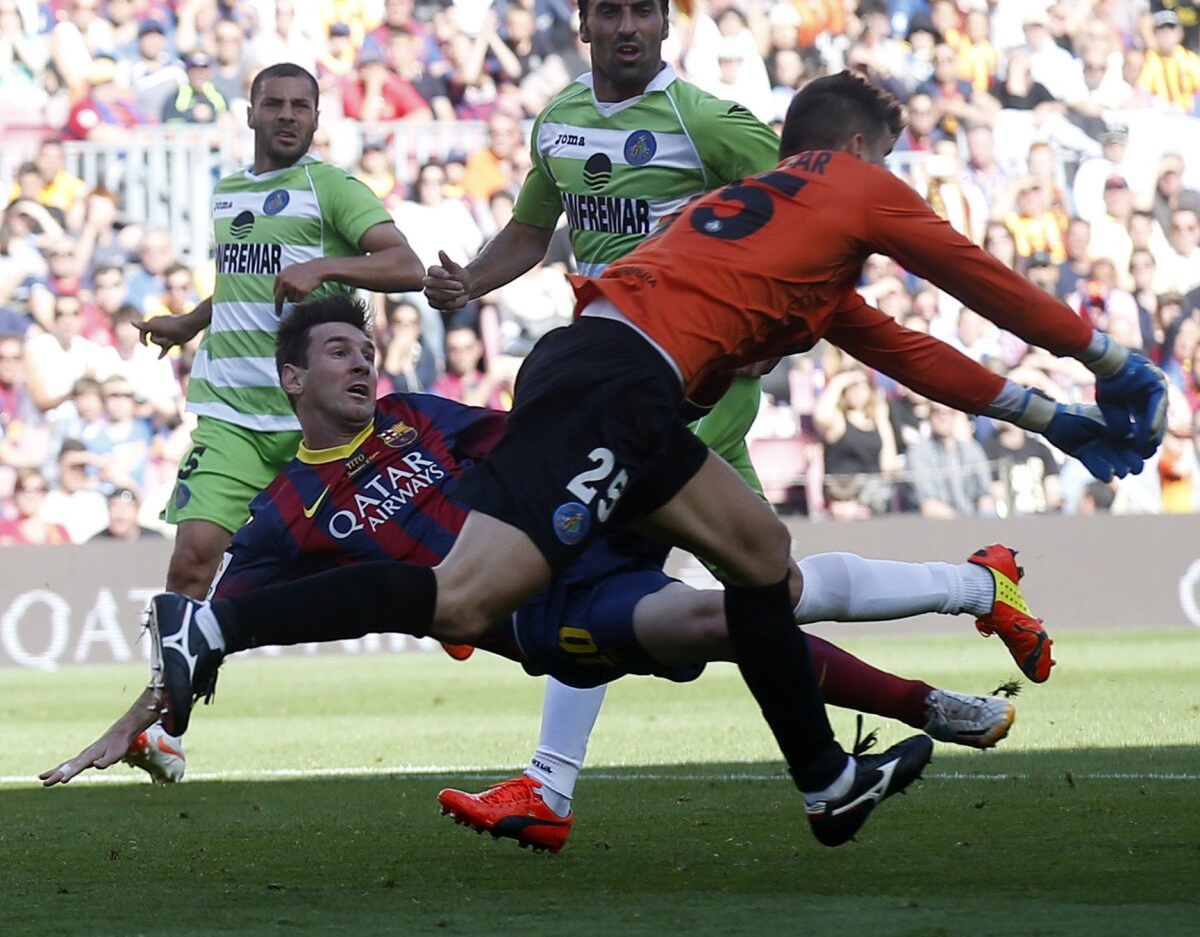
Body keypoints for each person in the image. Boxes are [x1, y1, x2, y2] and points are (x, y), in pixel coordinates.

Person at [147, 75, 1164, 854]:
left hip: (600, 379)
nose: (883, 175)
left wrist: (1049, 416)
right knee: (471, 599)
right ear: (857, 148)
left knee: (756, 556)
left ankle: (824, 780)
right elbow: (976, 275)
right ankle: (219, 625)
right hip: (616, 389)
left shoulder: (762, 229)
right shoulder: (848, 183)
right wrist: (1109, 362)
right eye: (883, 158)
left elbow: (900, 347)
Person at [46, 297, 1023, 803]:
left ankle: (733, 361)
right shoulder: (284, 513)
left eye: (366, 349)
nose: (363, 362)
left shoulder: (419, 415)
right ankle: (930, 702)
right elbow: (210, 629)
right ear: (293, 379)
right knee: (733, 617)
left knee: (772, 572)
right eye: (339, 351)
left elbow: (533, 439)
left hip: (578, 528)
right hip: (545, 611)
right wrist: (135, 722)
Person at [425, 0, 781, 844]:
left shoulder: (706, 122)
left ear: (667, 19)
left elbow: (801, 212)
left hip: (692, 381)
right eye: (610, 11)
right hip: (612, 376)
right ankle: (967, 593)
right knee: (763, 582)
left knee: (595, 559)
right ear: (581, 22)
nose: (628, 26)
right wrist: (469, 282)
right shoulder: (560, 121)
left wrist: (768, 330)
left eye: (643, 10)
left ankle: (546, 779)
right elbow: (530, 230)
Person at [132, 63, 423, 763]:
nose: (288, 115)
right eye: (275, 104)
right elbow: (244, 281)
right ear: (251, 113)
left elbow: (406, 266)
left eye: (301, 106)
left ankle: (473, 606)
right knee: (192, 558)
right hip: (231, 413)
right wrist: (190, 321)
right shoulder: (230, 192)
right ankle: (165, 725)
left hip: (310, 423)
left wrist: (327, 267)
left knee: (377, 554)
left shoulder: (331, 188)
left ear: (316, 119)